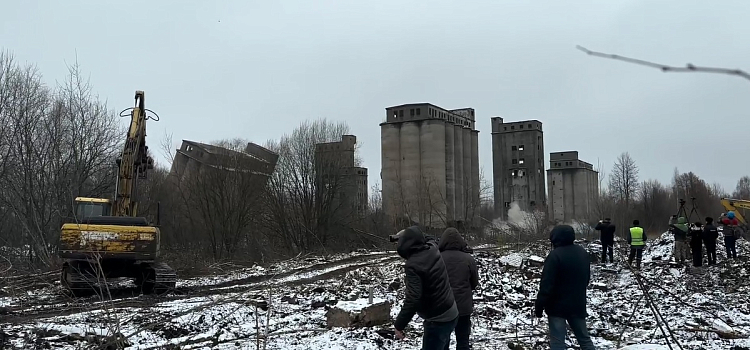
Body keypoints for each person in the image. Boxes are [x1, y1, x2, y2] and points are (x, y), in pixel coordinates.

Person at [393, 226, 458, 349]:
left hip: (438, 320)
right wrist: (408, 233)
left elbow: (413, 299)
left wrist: (399, 325)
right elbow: (428, 238)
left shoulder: (412, 266)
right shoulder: (432, 248)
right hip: (451, 312)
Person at [535, 225, 596, 350]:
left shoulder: (555, 256)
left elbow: (546, 284)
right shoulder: (582, 252)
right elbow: (586, 279)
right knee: (585, 340)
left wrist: (539, 305)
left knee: (558, 342)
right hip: (578, 304)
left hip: (557, 308)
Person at [438, 228, 479, 350]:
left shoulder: (437, 258)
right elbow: (474, 283)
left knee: (443, 341)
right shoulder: (468, 259)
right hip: (463, 307)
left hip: (443, 307)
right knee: (463, 340)